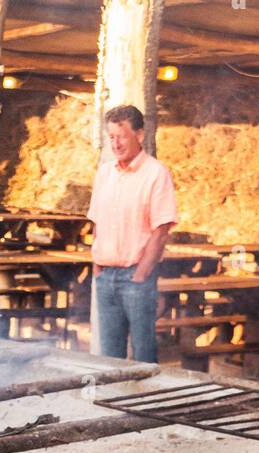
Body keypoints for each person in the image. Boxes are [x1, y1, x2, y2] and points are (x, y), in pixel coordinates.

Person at [87, 105, 177, 364]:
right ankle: (110, 400)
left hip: (135, 276)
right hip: (105, 276)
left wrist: (141, 274)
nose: (115, 143)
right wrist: (97, 267)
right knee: (109, 355)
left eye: (121, 136)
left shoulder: (156, 173)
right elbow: (97, 223)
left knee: (142, 352)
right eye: (111, 137)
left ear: (139, 134)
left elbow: (161, 230)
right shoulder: (105, 173)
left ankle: (145, 401)